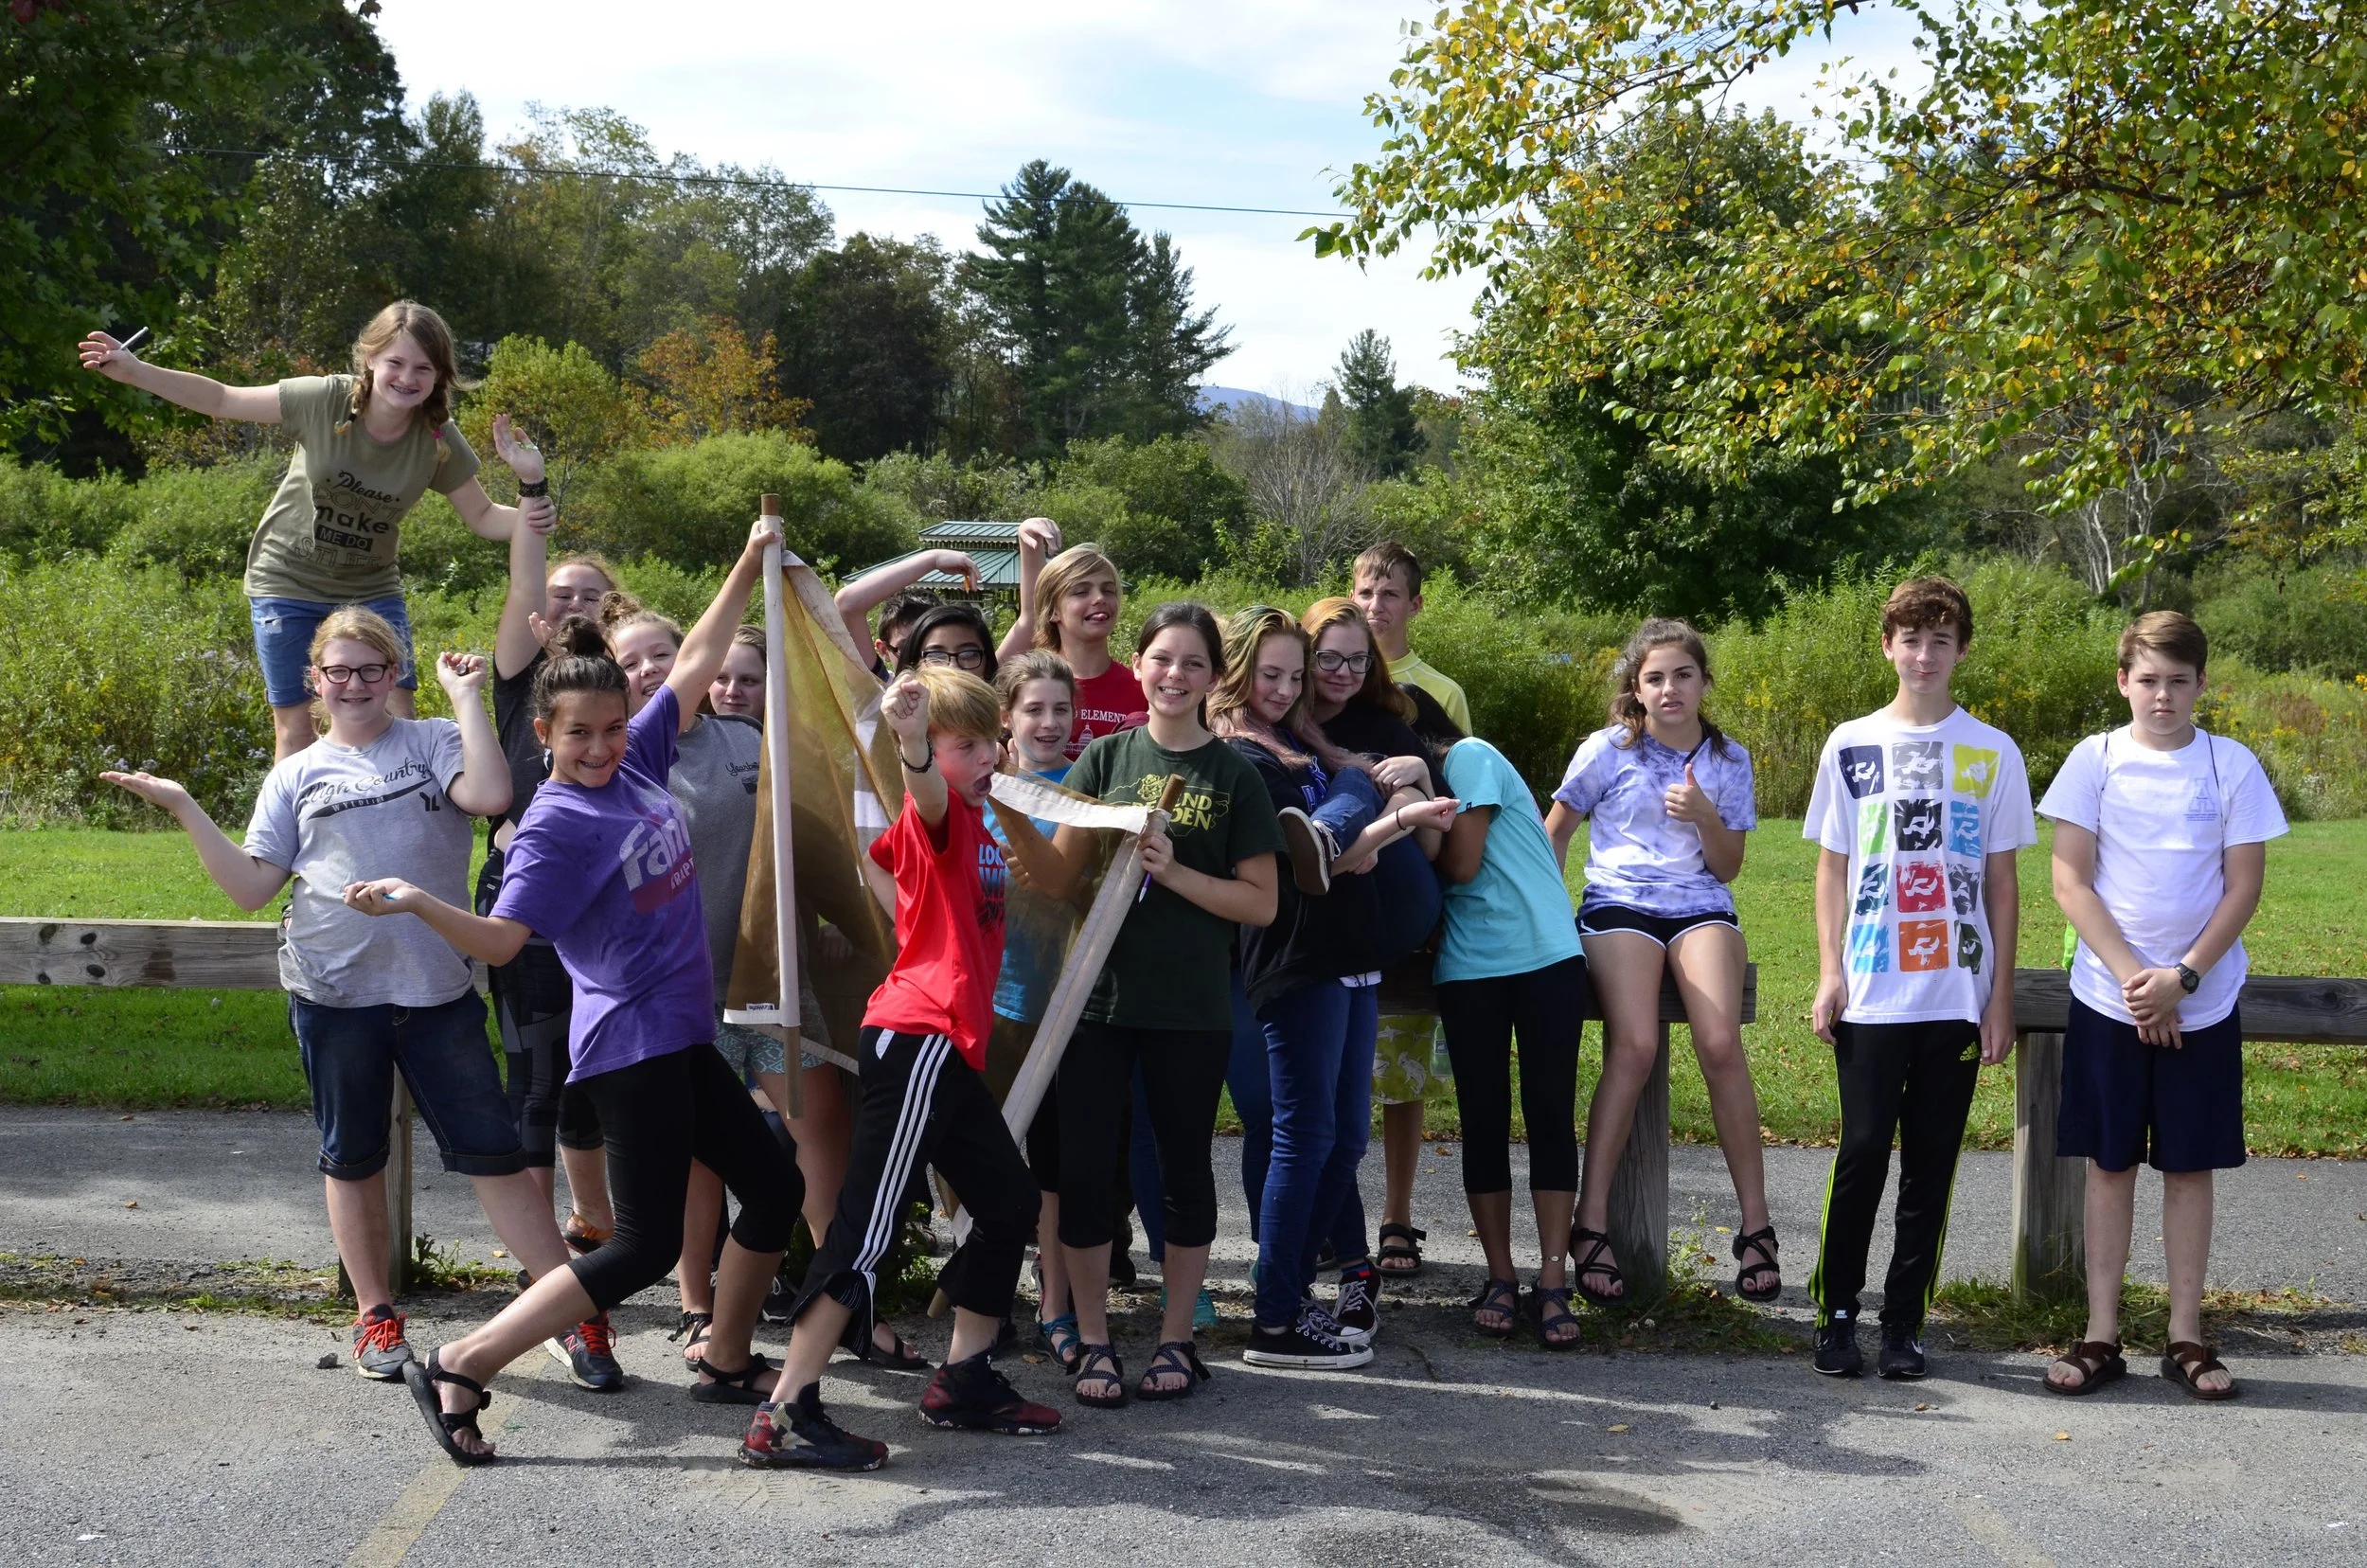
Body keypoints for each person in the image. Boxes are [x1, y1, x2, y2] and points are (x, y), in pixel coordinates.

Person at [345, 525, 810, 1467]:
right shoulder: (556, 826)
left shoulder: (636, 762)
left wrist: (748, 559)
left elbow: (701, 656)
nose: (599, 747)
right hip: (631, 1048)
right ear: (543, 735)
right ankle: (463, 1362)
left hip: (681, 1035)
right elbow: (504, 940)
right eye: (578, 735)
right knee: (640, 1247)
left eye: (610, 728)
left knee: (773, 1186)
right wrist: (420, 901)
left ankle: (724, 1357)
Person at [99, 613, 580, 1385]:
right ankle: (374, 1315)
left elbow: (492, 794)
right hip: (333, 992)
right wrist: (185, 805)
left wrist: (465, 697)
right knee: (352, 1156)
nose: (355, 684)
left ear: (395, 674)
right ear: (315, 682)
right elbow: (252, 887)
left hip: (436, 991)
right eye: (339, 671)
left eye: (371, 669)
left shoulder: (432, 740)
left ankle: (569, 1310)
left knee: (493, 1154)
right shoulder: (296, 773)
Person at [740, 668, 1062, 1470]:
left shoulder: (975, 822)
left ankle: (965, 1379)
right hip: (917, 1038)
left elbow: (876, 860)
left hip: (942, 1049)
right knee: (866, 1228)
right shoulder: (939, 813)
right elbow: (920, 799)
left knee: (1009, 1201)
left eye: (990, 742)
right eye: (967, 745)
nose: (986, 756)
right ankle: (785, 1413)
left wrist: (916, 917)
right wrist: (915, 743)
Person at [80, 304, 556, 762]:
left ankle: (389, 816)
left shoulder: (436, 436)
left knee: (396, 714)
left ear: (439, 376)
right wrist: (136, 371)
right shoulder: (325, 399)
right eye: (396, 362)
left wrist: (533, 492)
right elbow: (222, 399)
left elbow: (484, 517)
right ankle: (291, 822)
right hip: (287, 582)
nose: (407, 378)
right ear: (370, 358)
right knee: (297, 727)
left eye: (423, 369)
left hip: (371, 589)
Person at [1027, 603, 1285, 1406]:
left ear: (1214, 678)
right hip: (1095, 1004)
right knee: (1083, 1175)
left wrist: (1172, 871)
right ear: (1137, 666)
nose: (1175, 675)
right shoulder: (1103, 757)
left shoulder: (1235, 775)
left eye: (1193, 663)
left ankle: (1177, 1340)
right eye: (1162, 659)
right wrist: (997, 802)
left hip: (1190, 1009)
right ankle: (1094, 1341)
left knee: (1182, 1173)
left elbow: (1261, 904)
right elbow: (1059, 879)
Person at [2038, 611, 2285, 1401]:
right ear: (2123, 682)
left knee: (2187, 1165)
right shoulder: (2094, 760)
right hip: (2109, 1000)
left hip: (2200, 1002)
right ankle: (2100, 1335)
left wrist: (2183, 977)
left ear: (2202, 683)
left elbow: (2243, 886)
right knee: (2110, 1165)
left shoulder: (2231, 765)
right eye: (2148, 680)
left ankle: (2185, 1336)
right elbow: (2070, 881)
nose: (2163, 696)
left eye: (2179, 681)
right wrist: (2138, 984)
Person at [1211, 608, 1455, 1371]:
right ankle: (1277, 1318)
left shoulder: (1299, 741)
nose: (1286, 689)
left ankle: (1289, 1290)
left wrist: (1390, 813)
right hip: (1299, 956)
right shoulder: (1239, 754)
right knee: (1303, 1136)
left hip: (1354, 956)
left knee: (1345, 1138)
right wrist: (1377, 825)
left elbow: (1354, 851)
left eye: (1294, 675)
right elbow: (1301, 873)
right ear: (1237, 671)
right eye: (1270, 674)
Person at [1803, 576, 2034, 1380]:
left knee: (1930, 1165)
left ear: (1962, 650)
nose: (1925, 655)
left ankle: (1904, 1322)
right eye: (1912, 639)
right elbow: (1833, 868)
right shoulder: (1850, 743)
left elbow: (2002, 882)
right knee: (1863, 1151)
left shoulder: (1993, 751)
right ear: (1887, 646)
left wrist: (1999, 996)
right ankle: (1836, 1313)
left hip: (1956, 993)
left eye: (1941, 640)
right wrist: (1829, 972)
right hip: (1873, 989)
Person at [1545, 619, 1776, 1310]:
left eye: (1682, 675)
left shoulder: (1729, 760)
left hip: (1700, 905)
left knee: (1720, 1042)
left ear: (1704, 682)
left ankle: (1757, 1226)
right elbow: (1555, 831)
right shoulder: (1608, 749)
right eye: (1654, 678)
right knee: (1637, 1045)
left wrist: (1705, 814)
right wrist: (1548, 913)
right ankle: (1591, 1223)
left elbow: (1727, 867)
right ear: (1636, 689)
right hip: (1619, 904)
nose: (1669, 688)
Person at [483, 512, 619, 1289]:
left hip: (609, 899)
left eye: (589, 596)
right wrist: (531, 495)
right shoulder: (518, 679)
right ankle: (542, 1262)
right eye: (559, 593)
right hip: (525, 892)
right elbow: (523, 581)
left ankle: (594, 1219)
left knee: (592, 1071)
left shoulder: (621, 697)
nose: (571, 604)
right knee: (536, 1076)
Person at [1301, 597, 1450, 1284]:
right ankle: (1332, 1236)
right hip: (1320, 920)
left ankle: (1376, 1225)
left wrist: (1410, 788)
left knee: (1367, 1090)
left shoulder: (1393, 723)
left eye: (1357, 661)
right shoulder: (1278, 720)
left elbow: (1437, 838)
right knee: (1322, 1100)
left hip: (1393, 911)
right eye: (1327, 657)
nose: (1342, 672)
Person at [1431, 729, 1590, 1345]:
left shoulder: (1468, 757)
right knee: (1483, 1119)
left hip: (1544, 955)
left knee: (1549, 1113)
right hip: (1469, 964)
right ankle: (1500, 1276)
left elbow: (1462, 863)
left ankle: (1552, 1281)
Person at [984, 651, 1087, 1371]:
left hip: (1064, 1007)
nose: (1049, 724)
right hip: (989, 1005)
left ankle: (1054, 1302)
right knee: (989, 1160)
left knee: (1053, 1166)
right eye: (1034, 710)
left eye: (1061, 710)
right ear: (1006, 718)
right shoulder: (979, 791)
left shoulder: (1089, 794)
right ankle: (985, 1299)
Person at [1011, 543, 1143, 760]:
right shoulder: (1026, 684)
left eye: (1108, 591)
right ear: (1053, 610)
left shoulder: (1142, 689)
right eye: (1081, 592)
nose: (1099, 598)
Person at [1352, 541, 1470, 739]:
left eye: (1390, 594)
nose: (1375, 606)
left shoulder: (1446, 693)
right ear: (1351, 600)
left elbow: (1460, 759)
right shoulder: (1332, 677)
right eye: (1366, 593)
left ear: (1415, 605)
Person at [895, 601, 1001, 684]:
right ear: (914, 665)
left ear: (987, 664)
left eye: (968, 655)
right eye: (936, 656)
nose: (953, 667)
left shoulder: (1005, 705)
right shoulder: (891, 704)